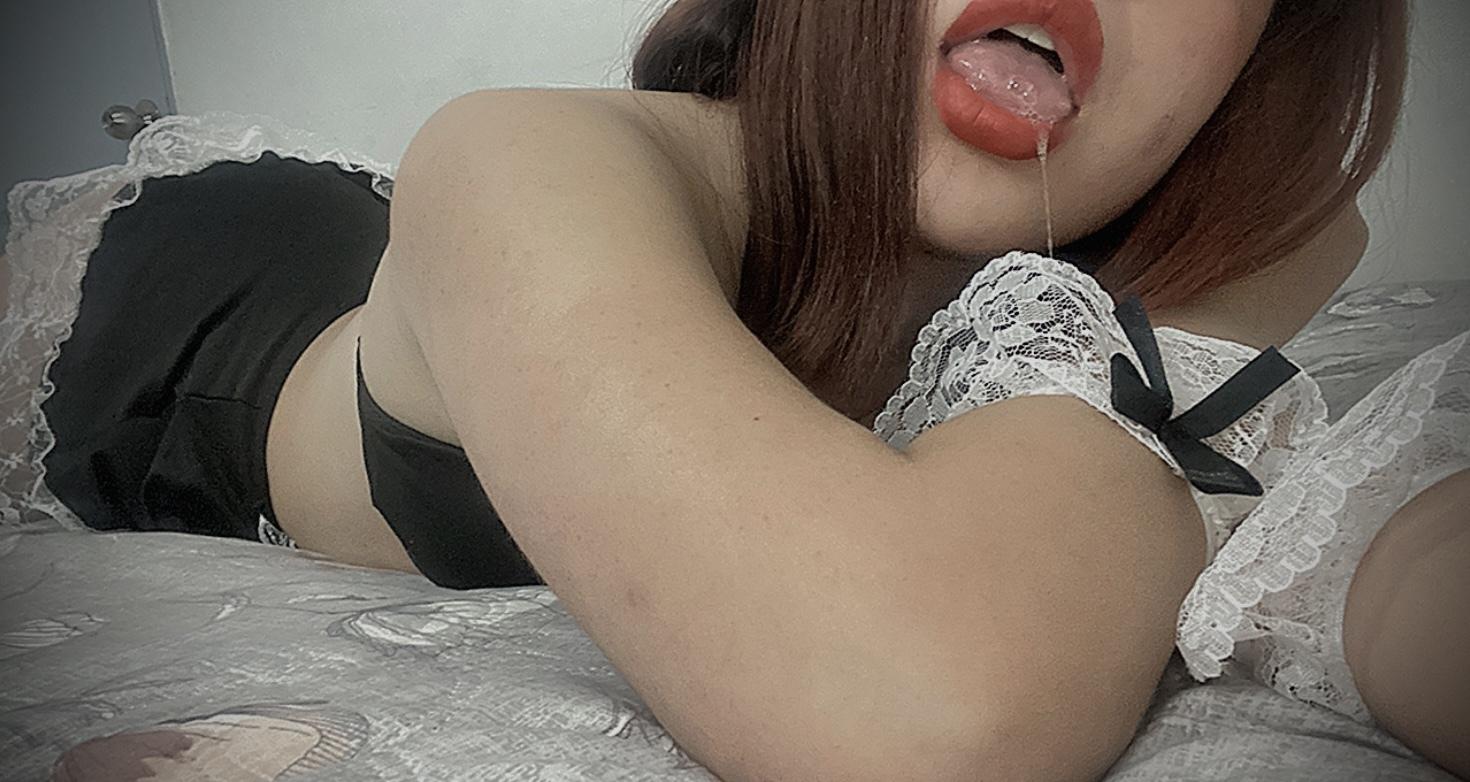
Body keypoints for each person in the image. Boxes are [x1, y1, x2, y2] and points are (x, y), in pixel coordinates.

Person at [0, 0, 1464, 780]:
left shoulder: (1093, 261)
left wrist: (1228, 228)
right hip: (183, 304)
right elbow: (931, 710)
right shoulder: (517, 155)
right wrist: (1216, 287)